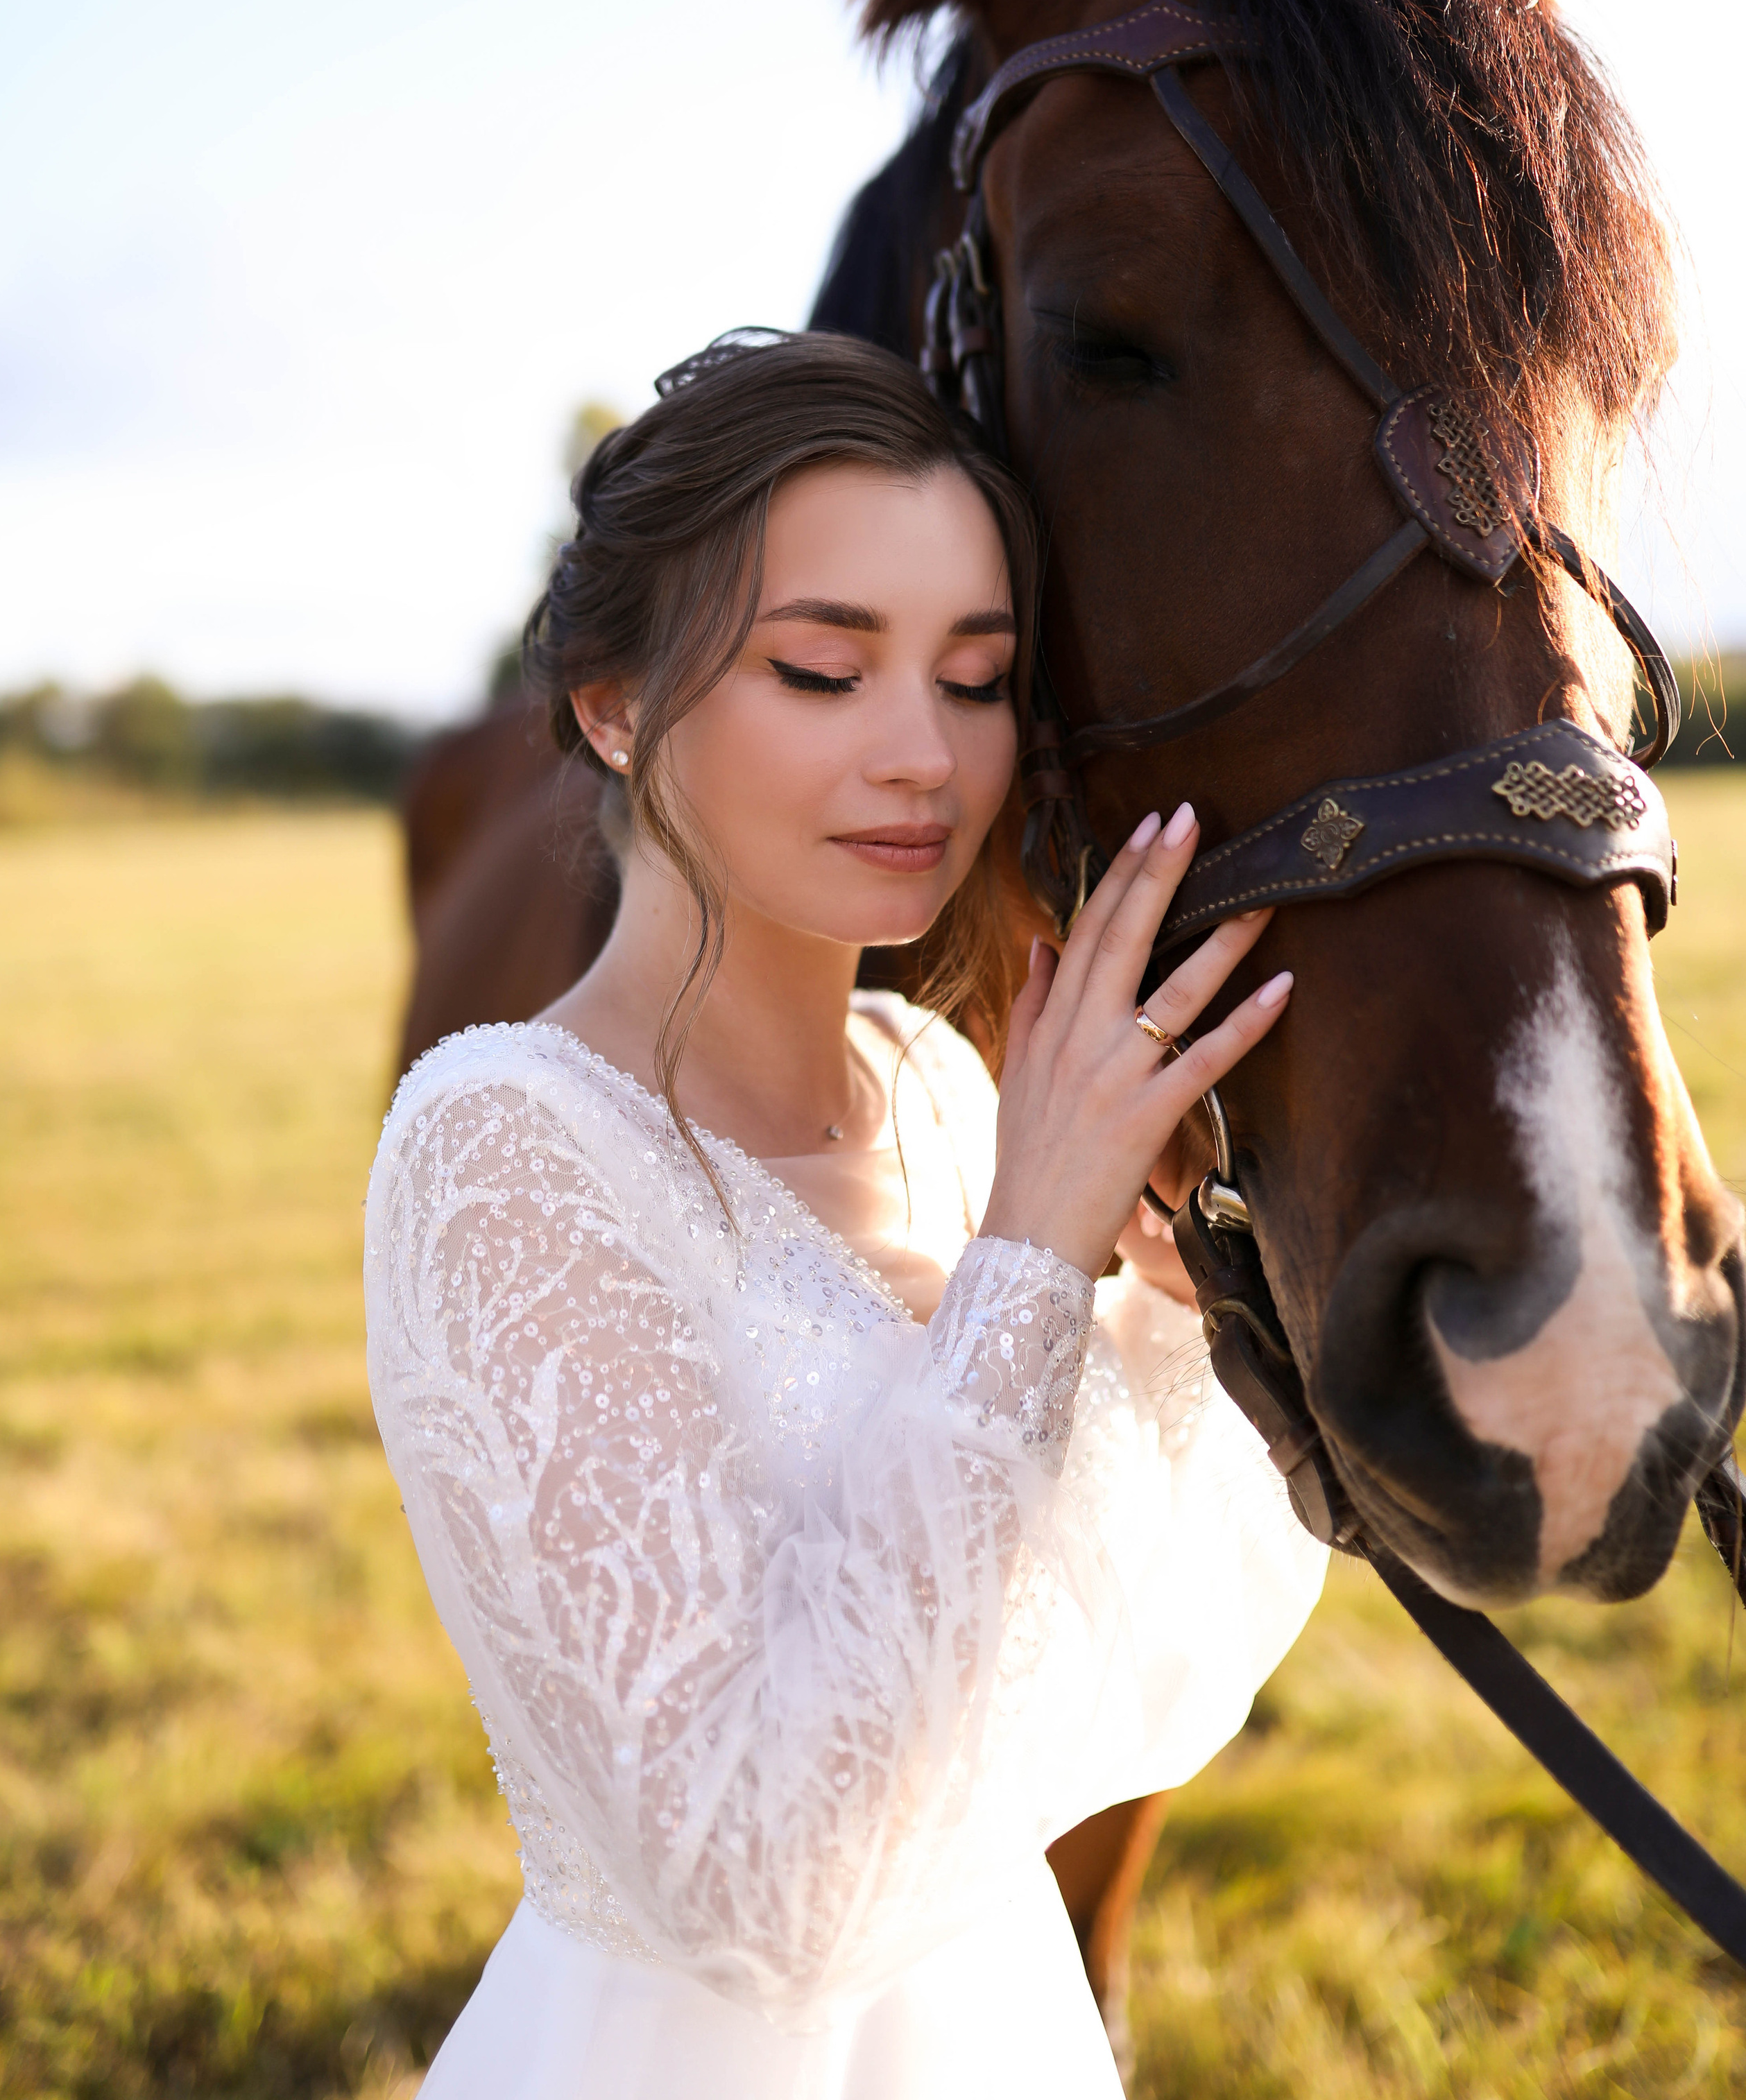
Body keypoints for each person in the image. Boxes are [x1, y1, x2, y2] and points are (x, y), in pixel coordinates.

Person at [364, 330, 1327, 2099]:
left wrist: (1187, 1317)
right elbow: (764, 1885)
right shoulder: (501, 1146)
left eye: (975, 680)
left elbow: (1119, 1653)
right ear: (612, 702)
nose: (923, 758)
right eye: (822, 670)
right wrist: (1029, 1262)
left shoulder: (947, 1089)